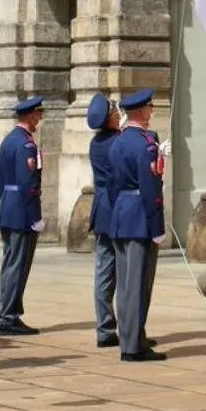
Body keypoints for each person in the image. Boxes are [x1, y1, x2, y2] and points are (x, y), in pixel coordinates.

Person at [108, 88, 167, 362]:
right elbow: (150, 187)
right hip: (140, 218)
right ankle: (133, 345)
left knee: (125, 285)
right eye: (150, 108)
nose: (151, 112)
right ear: (142, 112)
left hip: (121, 215)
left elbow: (110, 186)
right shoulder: (146, 145)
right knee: (138, 284)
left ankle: (131, 337)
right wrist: (157, 226)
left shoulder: (118, 142)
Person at [0, 95, 45, 336]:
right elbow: (28, 183)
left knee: (11, 264)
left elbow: (0, 180)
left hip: (9, 207)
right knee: (17, 265)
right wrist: (34, 214)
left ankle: (9, 312)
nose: (40, 119)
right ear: (31, 115)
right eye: (39, 114)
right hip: (22, 211)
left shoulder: (8, 140)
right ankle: (8, 317)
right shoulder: (26, 144)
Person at [87, 93, 121, 348]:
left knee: (103, 273)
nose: (119, 115)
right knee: (128, 274)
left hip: (101, 210)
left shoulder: (96, 143)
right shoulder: (117, 143)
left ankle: (105, 327)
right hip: (118, 210)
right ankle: (126, 327)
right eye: (116, 112)